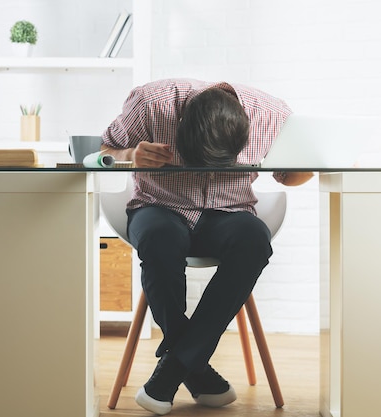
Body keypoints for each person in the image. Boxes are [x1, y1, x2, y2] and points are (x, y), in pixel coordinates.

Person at [101, 78, 313, 415]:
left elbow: (291, 175)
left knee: (254, 240)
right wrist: (129, 154)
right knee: (159, 240)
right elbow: (100, 152)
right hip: (160, 206)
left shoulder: (272, 116)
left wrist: (311, 162)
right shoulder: (149, 104)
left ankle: (173, 368)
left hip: (230, 212)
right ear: (180, 125)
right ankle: (193, 367)